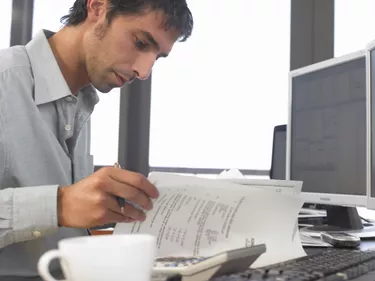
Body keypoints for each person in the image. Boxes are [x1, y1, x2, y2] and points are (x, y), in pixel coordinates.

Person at [0, 0, 193, 280]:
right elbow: (59, 209)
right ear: (98, 8)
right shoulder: (4, 82)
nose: (144, 71)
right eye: (140, 42)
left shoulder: (81, 101)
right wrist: (58, 205)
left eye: (157, 57)